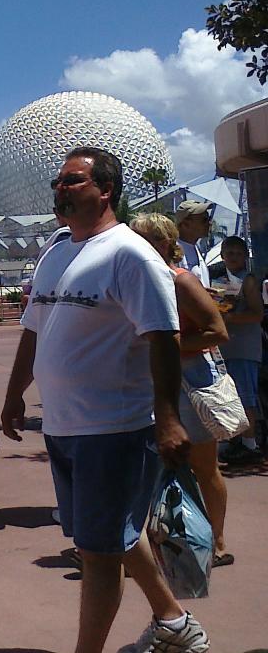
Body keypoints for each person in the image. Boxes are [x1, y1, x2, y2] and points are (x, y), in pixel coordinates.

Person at [1, 147, 209, 653]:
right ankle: (176, 624)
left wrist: (168, 419)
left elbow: (163, 336)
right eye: (58, 181)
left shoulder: (129, 254)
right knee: (112, 536)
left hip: (114, 429)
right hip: (64, 427)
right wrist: (13, 395)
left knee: (98, 554)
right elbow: (34, 329)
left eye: (73, 180)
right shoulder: (56, 251)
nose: (61, 188)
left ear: (105, 190)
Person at [131, 213, 233, 566]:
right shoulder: (135, 282)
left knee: (204, 465)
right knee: (149, 467)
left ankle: (217, 543)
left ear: (161, 243)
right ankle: (151, 545)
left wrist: (167, 346)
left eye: (141, 239)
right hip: (150, 380)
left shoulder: (181, 281)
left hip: (190, 379)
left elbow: (218, 331)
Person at [213, 236, 264, 465]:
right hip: (225, 348)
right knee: (227, 398)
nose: (233, 257)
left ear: (245, 257)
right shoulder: (218, 280)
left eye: (238, 253)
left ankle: (250, 444)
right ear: (222, 255)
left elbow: (257, 314)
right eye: (229, 253)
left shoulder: (248, 281)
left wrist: (230, 318)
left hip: (244, 348)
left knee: (245, 398)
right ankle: (234, 441)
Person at [174, 200, 213, 287]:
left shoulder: (195, 247)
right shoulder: (174, 252)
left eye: (209, 219)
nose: (209, 223)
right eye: (204, 220)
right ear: (185, 224)